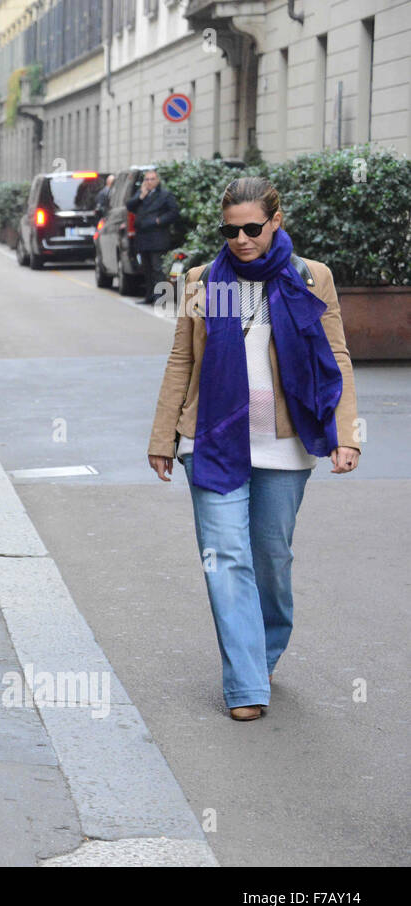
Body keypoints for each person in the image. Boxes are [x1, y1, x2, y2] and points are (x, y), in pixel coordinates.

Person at [147, 176, 362, 721]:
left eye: (252, 228)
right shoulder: (203, 281)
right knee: (227, 560)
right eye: (230, 229)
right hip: (214, 441)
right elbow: (182, 361)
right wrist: (164, 437)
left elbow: (336, 358)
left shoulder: (309, 278)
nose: (241, 239)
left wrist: (345, 434)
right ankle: (245, 684)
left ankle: (263, 650)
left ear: (275, 222)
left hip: (284, 446)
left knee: (270, 559)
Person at [126, 169, 179, 304]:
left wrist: (159, 221)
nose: (149, 182)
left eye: (152, 179)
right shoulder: (142, 194)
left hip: (158, 237)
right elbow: (130, 206)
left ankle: (160, 297)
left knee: (157, 269)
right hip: (143, 238)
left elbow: (173, 212)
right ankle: (149, 295)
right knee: (147, 269)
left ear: (157, 180)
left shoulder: (165, 195)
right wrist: (140, 196)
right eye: (147, 179)